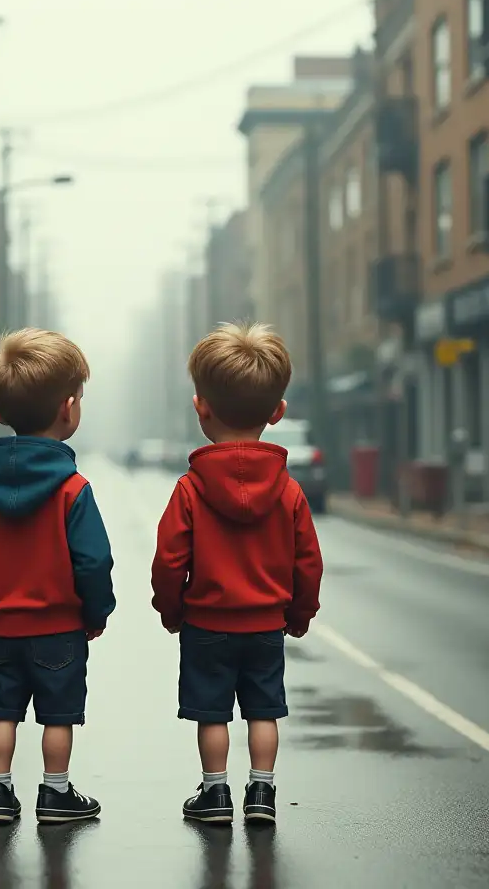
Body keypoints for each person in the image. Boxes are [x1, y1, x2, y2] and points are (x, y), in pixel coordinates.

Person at [151, 321, 323, 826]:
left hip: (206, 624)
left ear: (201, 406)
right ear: (278, 412)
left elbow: (169, 559)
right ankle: (263, 794)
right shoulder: (289, 492)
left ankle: (214, 794)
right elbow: (307, 560)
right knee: (263, 711)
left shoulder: (190, 489)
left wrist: (172, 607)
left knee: (212, 713)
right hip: (267, 624)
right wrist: (299, 611)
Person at [0, 328, 115, 826]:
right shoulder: (72, 489)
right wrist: (95, 610)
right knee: (57, 716)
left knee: (1, 713)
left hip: (0, 629)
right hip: (59, 628)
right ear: (68, 409)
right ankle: (55, 794)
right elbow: (93, 561)